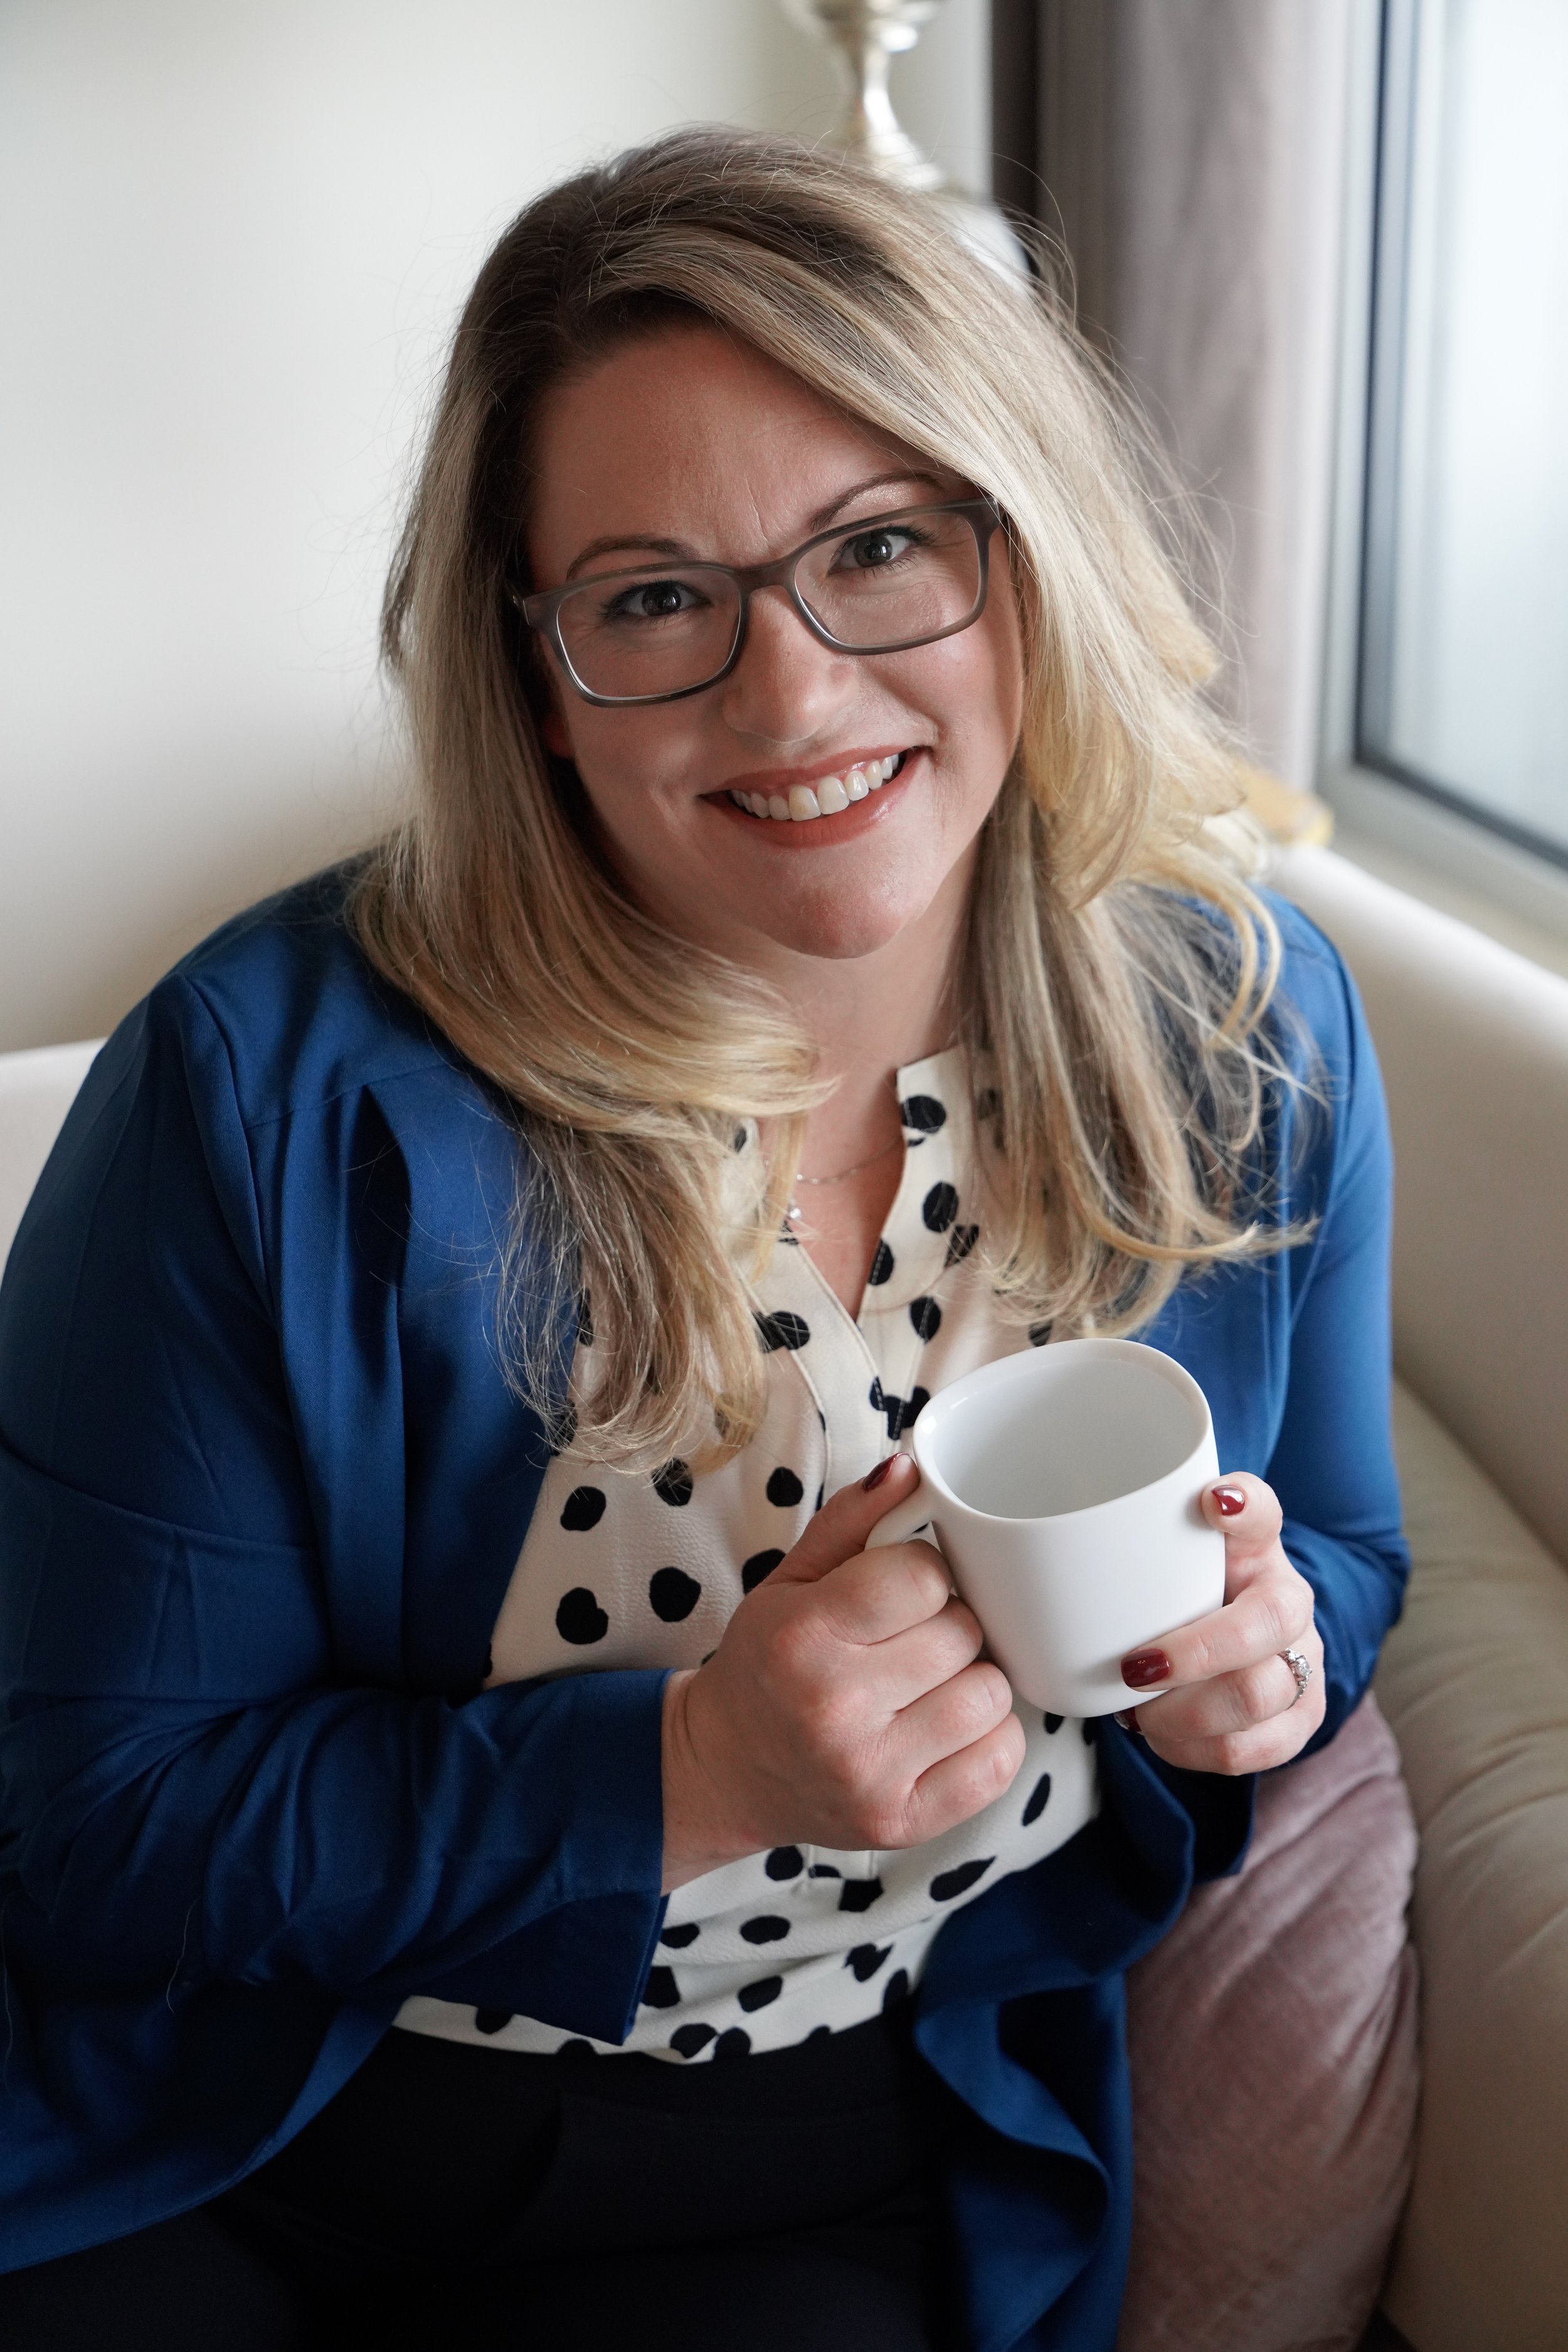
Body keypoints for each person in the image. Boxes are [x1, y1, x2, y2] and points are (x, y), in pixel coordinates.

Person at [0, 131, 1412, 2350]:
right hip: (240, 2119)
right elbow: (85, 1825)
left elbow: (1341, 1542)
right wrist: (684, 1776)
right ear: (535, 671)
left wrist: (1263, 1657)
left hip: (821, 2150)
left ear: (1021, 554)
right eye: (656, 597)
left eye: (877, 549)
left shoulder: (1248, 1026)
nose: (791, 699)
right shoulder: (259, 1087)